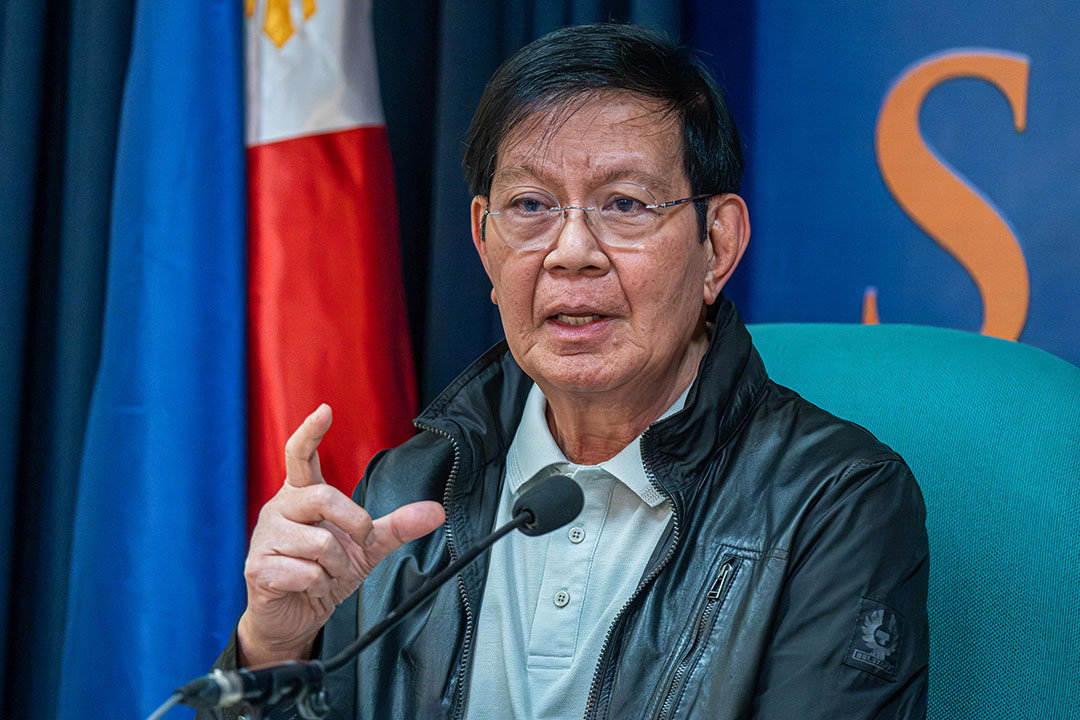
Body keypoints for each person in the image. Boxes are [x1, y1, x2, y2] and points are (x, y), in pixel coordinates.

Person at [208, 23, 928, 720]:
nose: (571, 251)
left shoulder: (832, 503)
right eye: (530, 206)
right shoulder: (410, 491)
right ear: (484, 243)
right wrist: (273, 650)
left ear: (717, 245)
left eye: (625, 204)